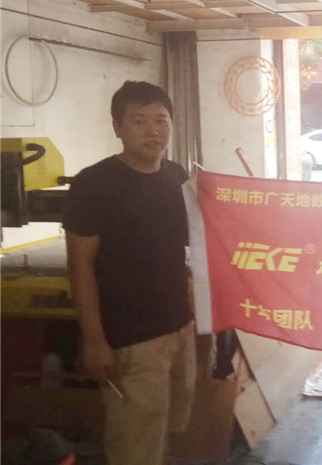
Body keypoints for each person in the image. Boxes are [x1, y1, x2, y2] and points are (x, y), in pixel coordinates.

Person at [64, 81, 195, 465]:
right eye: (139, 121)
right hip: (131, 341)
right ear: (117, 127)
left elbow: (194, 239)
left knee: (167, 433)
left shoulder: (176, 175)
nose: (153, 131)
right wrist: (94, 341)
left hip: (178, 329)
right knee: (135, 447)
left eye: (161, 120)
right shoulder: (93, 184)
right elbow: (80, 267)